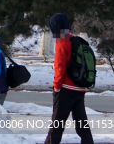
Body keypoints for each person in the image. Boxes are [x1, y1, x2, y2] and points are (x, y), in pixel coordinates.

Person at [44, 13, 94, 144]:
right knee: (82, 124)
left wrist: (56, 87)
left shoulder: (61, 43)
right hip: (80, 88)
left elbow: (59, 69)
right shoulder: (74, 39)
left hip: (66, 90)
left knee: (57, 124)